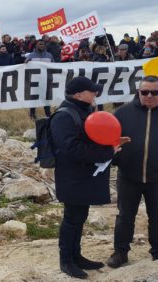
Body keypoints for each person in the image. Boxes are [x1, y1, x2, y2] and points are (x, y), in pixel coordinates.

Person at [107, 75, 158, 268]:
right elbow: (108, 141)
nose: (150, 96)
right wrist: (117, 159)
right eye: (145, 92)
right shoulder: (122, 113)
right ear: (139, 92)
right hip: (129, 176)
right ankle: (120, 253)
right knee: (125, 216)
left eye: (155, 92)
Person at [50, 76, 125, 279]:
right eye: (92, 91)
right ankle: (66, 260)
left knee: (79, 217)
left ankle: (76, 256)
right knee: (71, 219)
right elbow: (72, 149)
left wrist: (112, 143)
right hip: (71, 177)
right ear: (78, 94)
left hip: (83, 176)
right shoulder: (64, 116)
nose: (95, 94)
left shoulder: (81, 111)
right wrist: (108, 151)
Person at [26, 40, 54, 120]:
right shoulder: (31, 55)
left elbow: (54, 65)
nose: (42, 45)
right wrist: (26, 63)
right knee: (33, 98)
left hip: (46, 80)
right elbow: (26, 66)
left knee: (46, 97)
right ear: (36, 45)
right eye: (40, 44)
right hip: (35, 80)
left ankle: (48, 114)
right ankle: (32, 115)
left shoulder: (49, 55)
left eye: (43, 44)